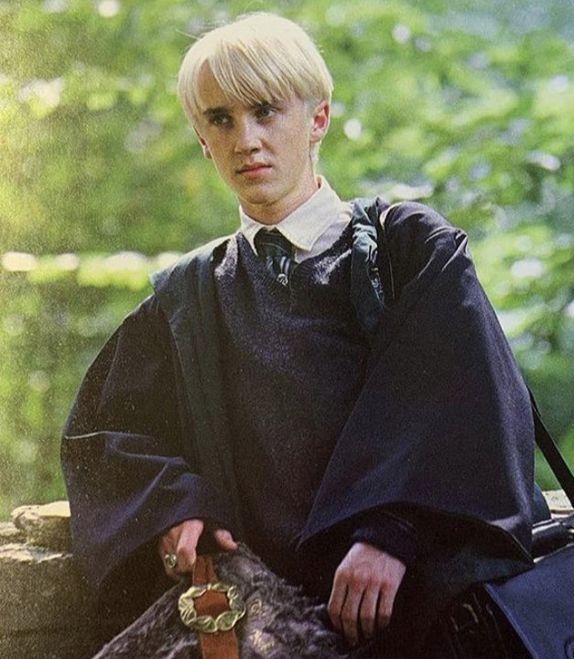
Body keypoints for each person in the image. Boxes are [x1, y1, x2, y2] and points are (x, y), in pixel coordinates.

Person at [62, 11, 545, 656]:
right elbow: (106, 436)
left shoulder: (406, 251)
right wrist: (176, 506)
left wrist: (392, 534)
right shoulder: (188, 297)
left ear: (318, 119)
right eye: (221, 119)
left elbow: (469, 407)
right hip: (265, 624)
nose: (246, 140)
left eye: (266, 111)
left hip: (413, 605)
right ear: (202, 139)